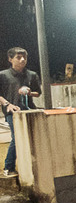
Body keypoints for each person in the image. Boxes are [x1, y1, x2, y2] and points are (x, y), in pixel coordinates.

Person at [1, 47, 42, 178]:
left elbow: (38, 93)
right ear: (10, 59)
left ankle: (33, 164)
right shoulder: (3, 76)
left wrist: (30, 93)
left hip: (29, 110)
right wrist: (8, 104)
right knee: (17, 138)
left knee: (34, 137)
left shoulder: (32, 75)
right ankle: (8, 167)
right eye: (18, 57)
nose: (22, 60)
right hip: (12, 112)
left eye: (24, 57)